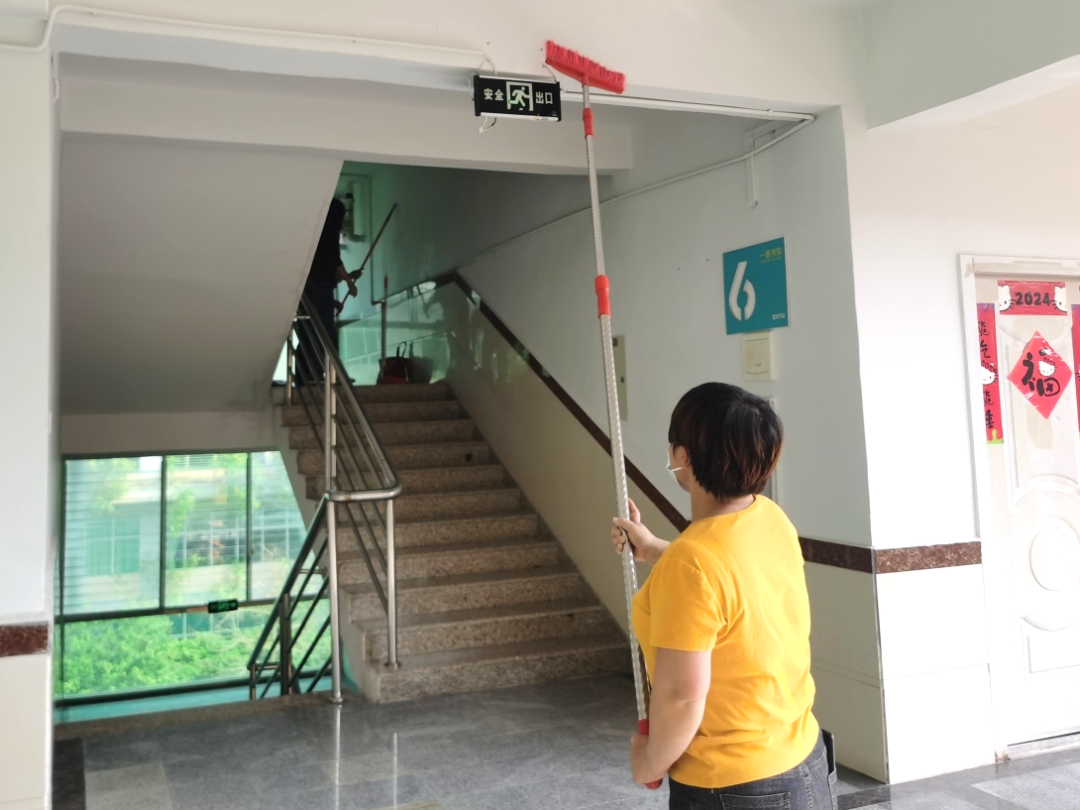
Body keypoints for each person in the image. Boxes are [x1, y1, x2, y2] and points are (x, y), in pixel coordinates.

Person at [612, 383, 835, 810]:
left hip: (735, 787)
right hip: (803, 760)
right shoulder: (770, 519)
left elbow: (683, 697)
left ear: (682, 456)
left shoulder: (691, 563)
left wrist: (649, 762)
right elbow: (730, 580)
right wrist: (655, 548)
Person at [295, 198, 361, 379]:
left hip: (310, 289)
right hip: (319, 288)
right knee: (325, 333)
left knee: (310, 332)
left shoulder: (314, 232)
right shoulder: (329, 231)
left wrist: (346, 280)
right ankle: (325, 374)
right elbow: (333, 259)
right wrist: (349, 281)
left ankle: (306, 376)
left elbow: (323, 267)